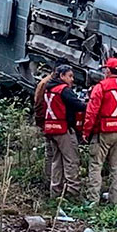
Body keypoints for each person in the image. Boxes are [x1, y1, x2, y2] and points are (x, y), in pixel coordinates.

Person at [83, 57, 117, 205]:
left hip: (103, 132)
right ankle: (114, 202)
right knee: (116, 168)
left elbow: (91, 112)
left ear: (107, 70)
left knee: (96, 165)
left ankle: (93, 201)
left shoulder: (100, 87)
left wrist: (86, 132)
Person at [42, 64, 86, 199]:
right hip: (63, 130)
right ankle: (73, 193)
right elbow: (79, 105)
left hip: (50, 129)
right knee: (71, 160)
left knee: (57, 161)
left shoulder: (48, 89)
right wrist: (90, 104)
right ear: (62, 76)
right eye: (70, 76)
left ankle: (55, 192)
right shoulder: (64, 90)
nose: (72, 80)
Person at [34, 60, 67, 183]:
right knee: (51, 154)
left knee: (54, 154)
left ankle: (54, 181)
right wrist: (42, 123)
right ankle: (50, 180)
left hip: (53, 123)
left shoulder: (50, 82)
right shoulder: (47, 84)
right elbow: (38, 104)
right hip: (50, 122)